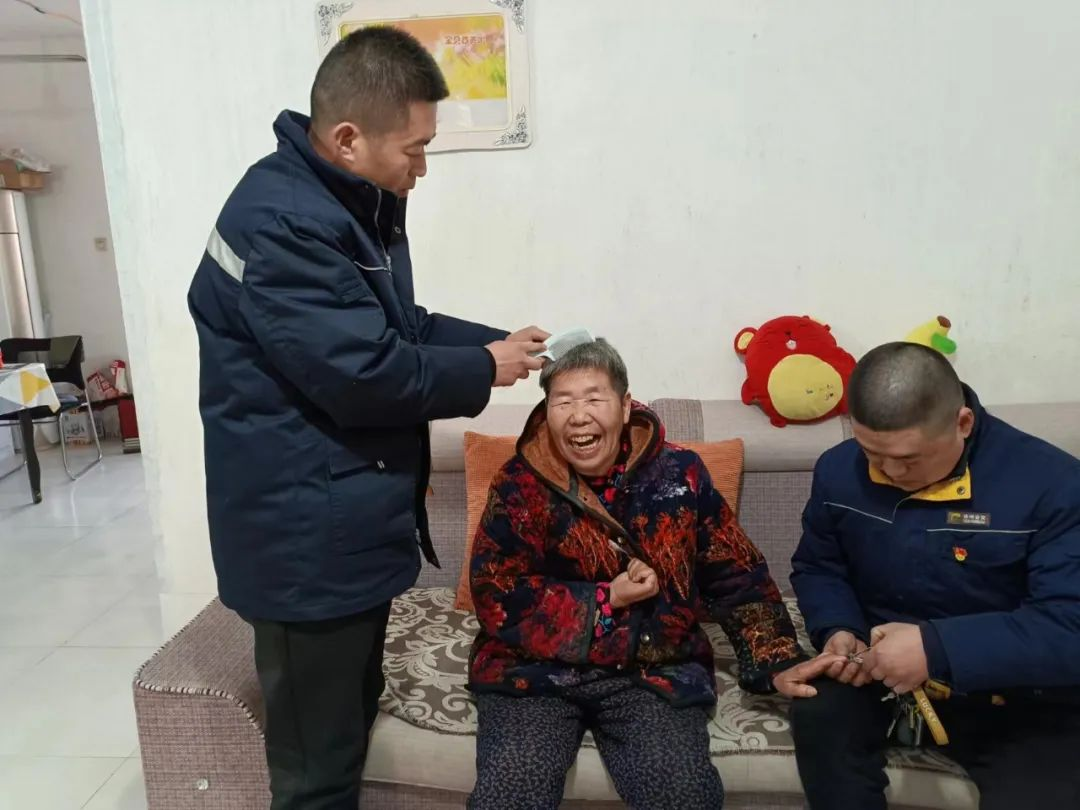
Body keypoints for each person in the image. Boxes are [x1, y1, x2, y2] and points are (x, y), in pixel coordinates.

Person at [187, 27, 549, 810]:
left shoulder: (338, 202)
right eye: (415, 149)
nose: (422, 168)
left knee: (347, 728)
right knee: (317, 771)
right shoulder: (284, 223)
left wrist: (498, 344)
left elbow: (395, 325)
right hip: (304, 540)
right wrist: (485, 368)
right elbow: (364, 376)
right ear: (349, 138)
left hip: (340, 523)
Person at [466, 338, 843, 810]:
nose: (578, 416)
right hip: (533, 672)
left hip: (651, 668)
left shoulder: (680, 473)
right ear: (547, 410)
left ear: (625, 406)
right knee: (508, 795)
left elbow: (734, 571)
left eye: (594, 398)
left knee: (683, 795)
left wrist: (777, 658)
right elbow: (496, 590)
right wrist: (605, 600)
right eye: (563, 402)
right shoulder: (518, 482)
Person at [789, 342, 1080, 810]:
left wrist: (936, 648)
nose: (889, 471)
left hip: (1015, 693)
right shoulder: (838, 470)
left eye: (909, 458)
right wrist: (839, 628)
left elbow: (1069, 626)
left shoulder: (1054, 485)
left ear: (962, 423)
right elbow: (820, 566)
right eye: (872, 453)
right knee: (820, 713)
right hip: (879, 675)